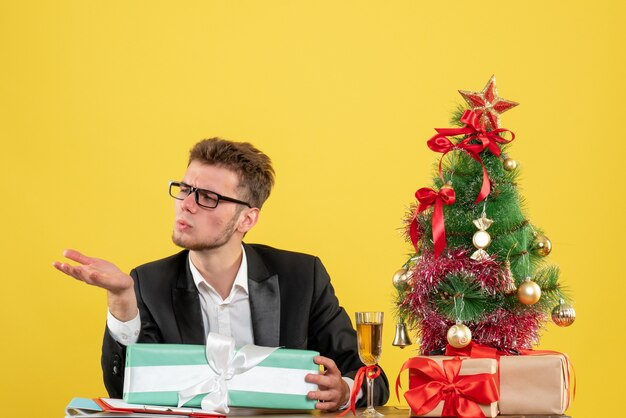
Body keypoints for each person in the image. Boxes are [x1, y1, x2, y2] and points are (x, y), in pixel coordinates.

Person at [54, 138, 389, 411]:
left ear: (247, 220)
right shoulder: (147, 283)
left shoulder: (302, 277)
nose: (186, 204)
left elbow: (370, 375)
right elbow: (125, 389)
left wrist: (345, 391)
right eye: (185, 189)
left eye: (208, 197)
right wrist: (121, 304)